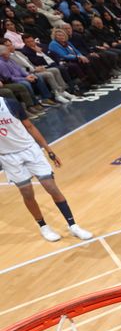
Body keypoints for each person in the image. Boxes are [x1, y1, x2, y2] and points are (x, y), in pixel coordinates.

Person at [0, 95, 92, 241]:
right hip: (8, 157)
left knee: (51, 188)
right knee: (27, 193)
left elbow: (30, 126)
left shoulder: (10, 104)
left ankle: (73, 225)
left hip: (30, 150)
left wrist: (49, 150)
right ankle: (43, 226)